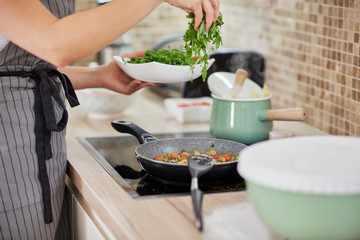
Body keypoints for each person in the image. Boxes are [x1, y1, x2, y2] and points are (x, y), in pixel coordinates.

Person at [0, 0, 220, 239]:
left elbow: (22, 70)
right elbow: (55, 42)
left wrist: (101, 76)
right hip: (10, 145)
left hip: (39, 143)